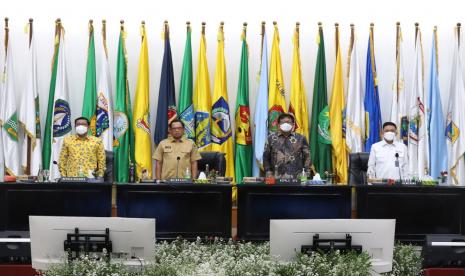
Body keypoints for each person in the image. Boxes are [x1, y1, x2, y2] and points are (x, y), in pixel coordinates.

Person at [263, 113, 311, 178]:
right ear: (278, 125)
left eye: (288, 122)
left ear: (293, 125)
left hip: (296, 178)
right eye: (283, 122)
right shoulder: (271, 138)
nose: (286, 124)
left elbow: (307, 156)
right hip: (276, 177)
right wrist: (268, 171)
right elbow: (266, 157)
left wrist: (306, 172)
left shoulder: (301, 138)